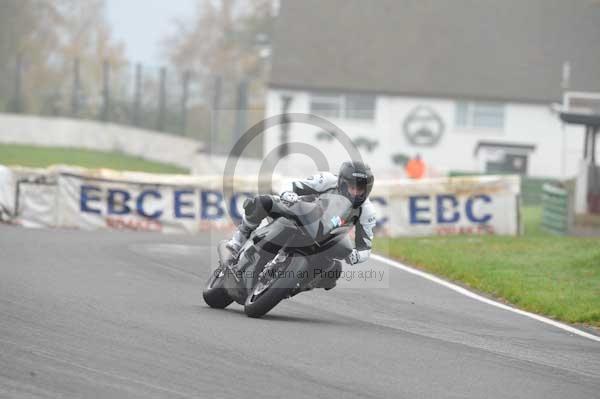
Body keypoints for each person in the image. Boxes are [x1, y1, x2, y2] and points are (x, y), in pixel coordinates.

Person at [226, 161, 376, 289]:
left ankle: (297, 286)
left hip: (326, 240)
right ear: (342, 183)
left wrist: (356, 256)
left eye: (360, 189)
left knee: (335, 270)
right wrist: (287, 193)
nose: (356, 193)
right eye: (353, 187)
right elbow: (292, 184)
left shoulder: (367, 211)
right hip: (301, 214)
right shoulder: (328, 180)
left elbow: (366, 248)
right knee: (261, 202)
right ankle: (237, 242)